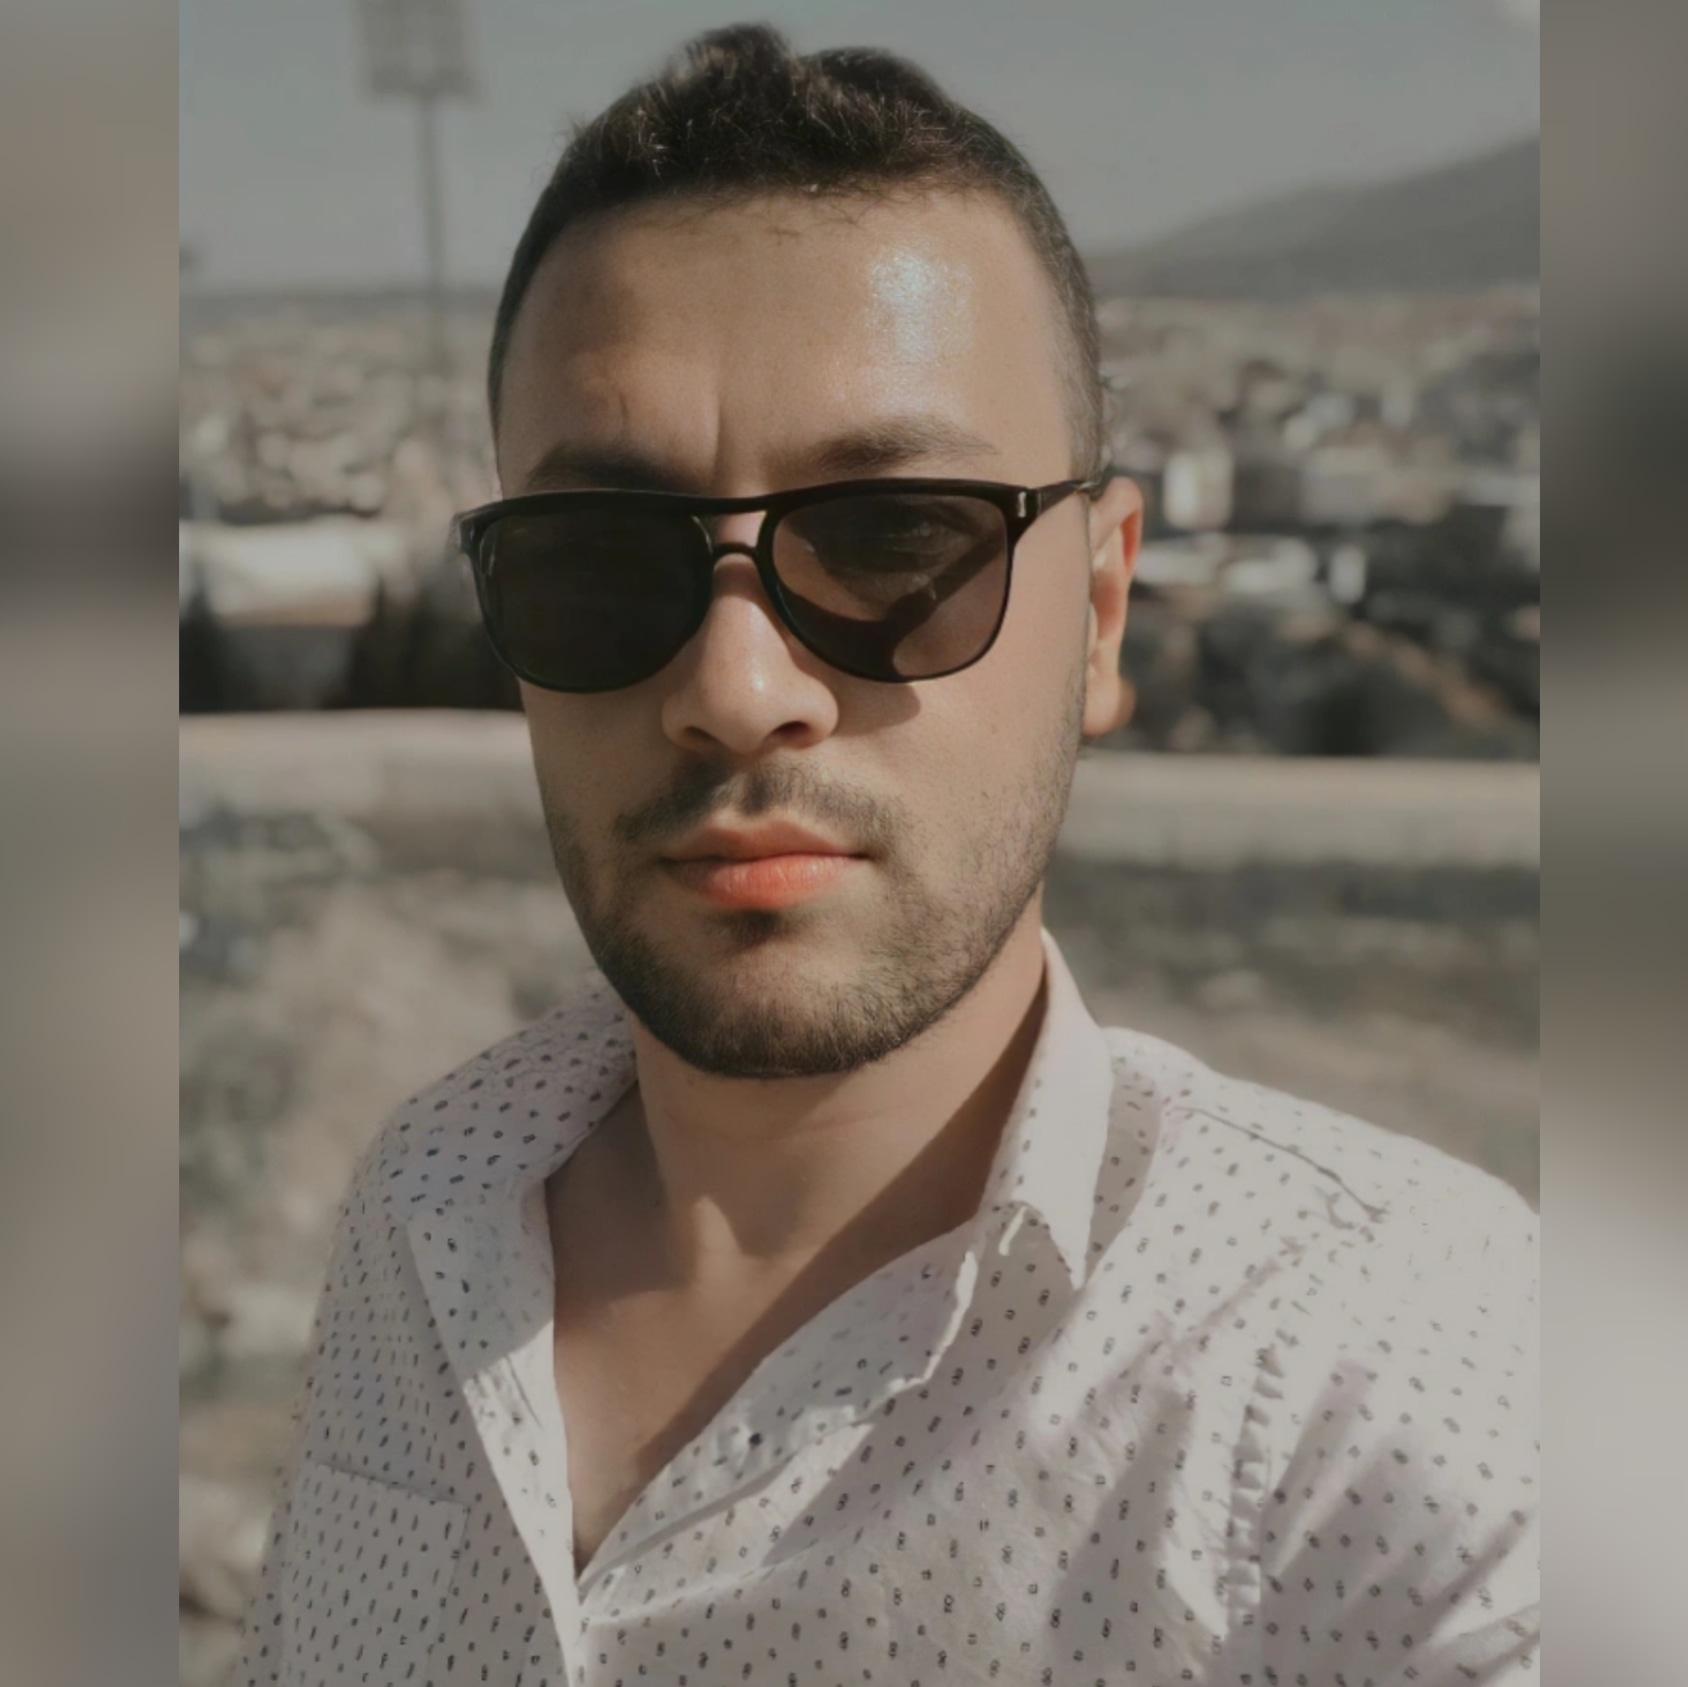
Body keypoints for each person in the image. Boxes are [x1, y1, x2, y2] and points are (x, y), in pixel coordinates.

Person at [237, 26, 1537, 1685]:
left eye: (898, 541)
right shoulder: (429, 1212)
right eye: (596, 560)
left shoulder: (1376, 1376)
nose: (735, 688)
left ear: (1101, 612)